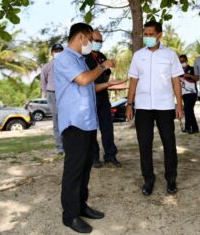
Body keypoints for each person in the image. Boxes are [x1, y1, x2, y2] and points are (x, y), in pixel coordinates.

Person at [55, 22, 117, 233]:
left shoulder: (80, 60)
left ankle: (81, 206)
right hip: (74, 124)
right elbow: (83, 80)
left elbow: (89, 85)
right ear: (81, 37)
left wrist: (109, 84)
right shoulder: (64, 59)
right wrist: (103, 66)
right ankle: (70, 216)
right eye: (90, 38)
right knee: (74, 171)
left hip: (87, 122)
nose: (91, 43)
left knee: (85, 169)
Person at [126, 20, 183, 196]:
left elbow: (176, 81)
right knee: (144, 145)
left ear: (159, 35)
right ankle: (148, 180)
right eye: (146, 34)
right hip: (143, 107)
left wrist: (179, 104)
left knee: (169, 144)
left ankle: (171, 179)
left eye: (151, 34)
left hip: (165, 105)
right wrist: (129, 104)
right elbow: (133, 80)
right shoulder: (138, 55)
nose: (148, 37)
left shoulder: (170, 55)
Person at [84, 30, 122, 168]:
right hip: (89, 97)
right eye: (96, 40)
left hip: (103, 96)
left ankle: (110, 156)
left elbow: (106, 75)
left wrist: (107, 81)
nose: (98, 43)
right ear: (89, 40)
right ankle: (94, 157)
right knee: (91, 128)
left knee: (107, 127)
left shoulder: (102, 57)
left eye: (100, 41)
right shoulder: (83, 57)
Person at [40, 43, 64, 154]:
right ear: (52, 53)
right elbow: (43, 82)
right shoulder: (47, 66)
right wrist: (48, 93)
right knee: (56, 120)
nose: (58, 53)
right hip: (52, 94)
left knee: (67, 119)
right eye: (56, 51)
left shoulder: (67, 65)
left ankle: (68, 145)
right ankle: (60, 147)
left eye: (60, 51)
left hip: (65, 94)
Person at [179, 54, 199, 134]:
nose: (182, 63)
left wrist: (189, 76)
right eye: (180, 62)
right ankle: (194, 128)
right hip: (184, 93)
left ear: (186, 61)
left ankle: (188, 127)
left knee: (187, 109)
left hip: (192, 93)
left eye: (183, 61)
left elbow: (197, 78)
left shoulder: (192, 69)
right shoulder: (178, 71)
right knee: (189, 110)